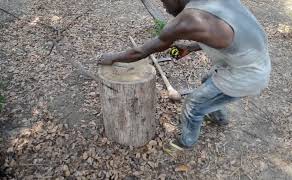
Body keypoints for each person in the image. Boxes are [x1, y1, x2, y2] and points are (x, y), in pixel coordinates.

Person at [98, 0, 271, 149]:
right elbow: (228, 35)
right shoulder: (210, 5)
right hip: (253, 63)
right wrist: (191, 47)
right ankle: (219, 117)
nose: (164, 7)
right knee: (207, 81)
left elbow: (140, 52)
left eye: (164, 1)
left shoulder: (186, 20)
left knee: (193, 106)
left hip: (246, 75)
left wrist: (112, 58)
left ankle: (185, 143)